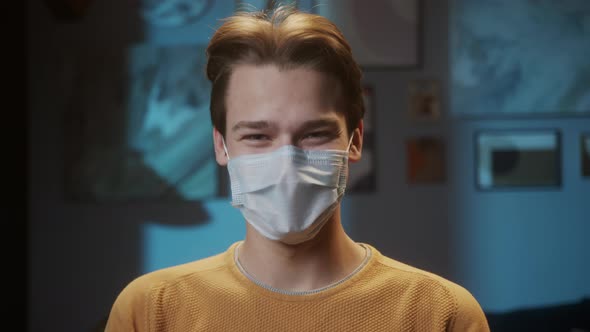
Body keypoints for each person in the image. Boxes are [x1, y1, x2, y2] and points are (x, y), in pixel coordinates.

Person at [105, 5, 490, 331]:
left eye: (314, 134)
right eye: (257, 136)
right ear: (221, 146)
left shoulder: (440, 313)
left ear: (355, 141)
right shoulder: (152, 310)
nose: (286, 161)